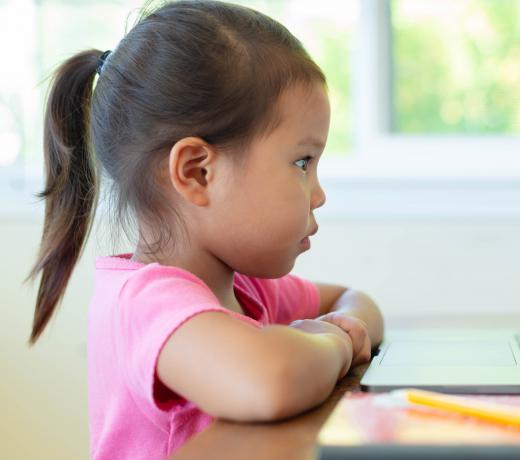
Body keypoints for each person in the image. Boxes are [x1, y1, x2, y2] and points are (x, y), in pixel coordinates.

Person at [26, 1, 384, 458]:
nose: (318, 194)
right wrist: (333, 341)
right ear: (197, 172)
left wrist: (342, 326)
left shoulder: (248, 290)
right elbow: (269, 380)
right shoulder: (147, 305)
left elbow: (357, 301)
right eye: (301, 163)